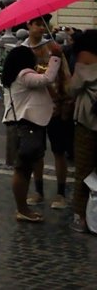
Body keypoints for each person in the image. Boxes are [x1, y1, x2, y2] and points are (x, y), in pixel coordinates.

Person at [1, 43, 61, 223]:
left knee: (23, 169)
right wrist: (55, 57)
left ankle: (23, 207)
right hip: (25, 128)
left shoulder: (11, 77)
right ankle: (22, 209)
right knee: (22, 170)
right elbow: (47, 78)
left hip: (17, 126)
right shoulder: (24, 75)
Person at [21, 17, 72, 208]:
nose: (41, 28)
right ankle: (39, 190)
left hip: (56, 106)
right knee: (37, 152)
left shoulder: (53, 47)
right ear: (29, 26)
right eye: (38, 25)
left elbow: (65, 76)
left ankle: (60, 193)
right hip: (34, 106)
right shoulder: (23, 50)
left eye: (44, 25)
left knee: (59, 150)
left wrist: (67, 101)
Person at [67, 29, 97, 234]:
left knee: (83, 170)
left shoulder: (83, 65)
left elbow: (72, 89)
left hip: (87, 123)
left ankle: (80, 216)